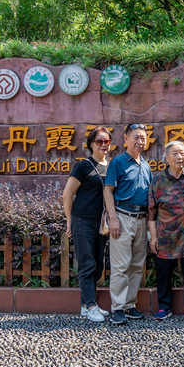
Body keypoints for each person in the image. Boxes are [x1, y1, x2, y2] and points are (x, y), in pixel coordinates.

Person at [148, 141, 184, 321]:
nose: (179, 157)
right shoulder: (158, 180)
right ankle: (164, 307)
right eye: (175, 153)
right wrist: (153, 237)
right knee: (163, 273)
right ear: (166, 158)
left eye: (182, 153)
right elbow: (151, 213)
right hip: (166, 236)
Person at [103, 124, 152, 326]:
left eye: (143, 138)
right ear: (125, 138)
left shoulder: (146, 165)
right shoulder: (118, 162)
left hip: (141, 219)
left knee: (136, 266)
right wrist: (112, 218)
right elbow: (108, 191)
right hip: (122, 217)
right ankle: (117, 308)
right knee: (121, 266)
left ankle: (130, 305)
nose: (140, 141)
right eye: (136, 137)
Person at [62, 127, 112, 322]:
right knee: (87, 262)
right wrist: (69, 220)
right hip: (82, 220)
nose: (103, 145)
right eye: (99, 141)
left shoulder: (110, 166)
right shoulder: (83, 166)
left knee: (98, 264)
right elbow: (67, 194)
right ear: (91, 144)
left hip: (102, 223)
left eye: (106, 141)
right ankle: (91, 306)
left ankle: (86, 305)